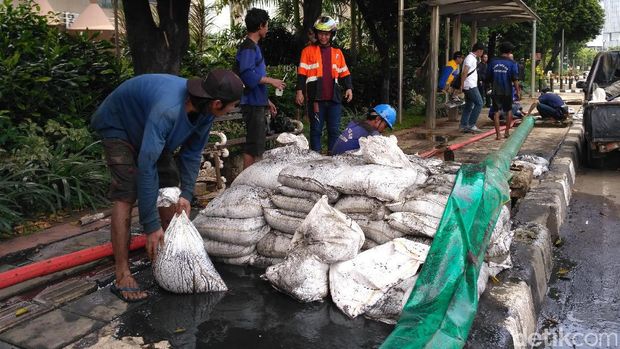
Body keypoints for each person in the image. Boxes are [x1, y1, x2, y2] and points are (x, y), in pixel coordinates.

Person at [91, 70, 243, 302]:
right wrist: (150, 225)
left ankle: (162, 255)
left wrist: (187, 195)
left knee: (171, 190)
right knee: (127, 192)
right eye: (232, 106)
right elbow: (147, 165)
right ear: (217, 103)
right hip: (119, 125)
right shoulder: (168, 111)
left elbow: (191, 156)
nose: (232, 110)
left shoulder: (205, 111)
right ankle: (122, 275)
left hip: (147, 128)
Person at [235, 8, 285, 169]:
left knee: (257, 144)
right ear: (260, 26)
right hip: (251, 103)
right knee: (253, 146)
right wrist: (272, 81)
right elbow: (248, 75)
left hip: (257, 101)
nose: (267, 28)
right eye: (266, 25)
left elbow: (255, 79)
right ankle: (246, 186)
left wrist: (266, 101)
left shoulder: (253, 46)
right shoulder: (249, 47)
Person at [296, 15, 353, 153]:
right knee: (316, 131)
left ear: (331, 35)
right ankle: (315, 160)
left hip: (334, 100)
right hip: (316, 100)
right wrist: (299, 91)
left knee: (334, 131)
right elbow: (302, 74)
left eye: (327, 34)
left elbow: (345, 73)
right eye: (321, 34)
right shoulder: (307, 51)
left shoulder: (338, 53)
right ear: (316, 34)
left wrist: (349, 88)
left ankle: (332, 159)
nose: (323, 37)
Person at [486, 41, 521, 140]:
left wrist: (490, 86)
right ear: (509, 52)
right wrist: (518, 91)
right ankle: (506, 132)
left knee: (496, 111)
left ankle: (498, 135)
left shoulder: (492, 61)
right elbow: (515, 79)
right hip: (507, 90)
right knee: (508, 110)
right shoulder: (512, 63)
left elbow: (488, 77)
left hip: (496, 90)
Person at [331, 104, 396, 155]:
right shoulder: (372, 134)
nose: (384, 130)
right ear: (377, 119)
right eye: (385, 126)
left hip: (334, 159)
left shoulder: (354, 123)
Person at [458, 43, 485, 133]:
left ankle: (463, 125)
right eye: (482, 52)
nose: (482, 54)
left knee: (469, 105)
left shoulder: (472, 58)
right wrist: (462, 85)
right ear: (479, 51)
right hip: (470, 85)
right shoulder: (470, 58)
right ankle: (471, 124)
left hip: (469, 84)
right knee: (480, 103)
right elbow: (465, 72)